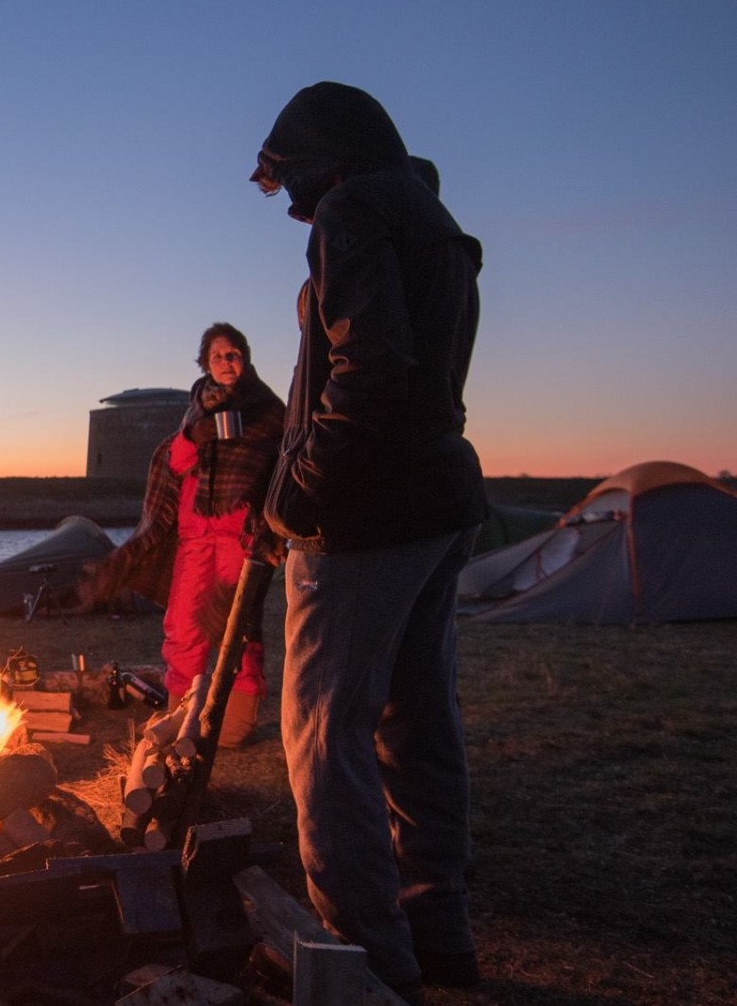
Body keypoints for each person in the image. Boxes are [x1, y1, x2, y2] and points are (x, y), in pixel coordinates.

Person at [252, 81, 487, 1003]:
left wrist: (302, 495)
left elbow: (366, 370)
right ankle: (440, 934)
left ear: (325, 156)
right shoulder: (427, 212)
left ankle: (361, 962)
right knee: (418, 722)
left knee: (324, 732)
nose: (295, 205)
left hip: (368, 514)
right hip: (438, 496)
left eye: (292, 179)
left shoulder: (355, 208)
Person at [68, 323, 285, 748]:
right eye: (219, 356)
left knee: (235, 626)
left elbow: (277, 468)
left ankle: (235, 721)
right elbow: (177, 463)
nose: (227, 362)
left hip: (236, 537)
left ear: (246, 359)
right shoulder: (195, 410)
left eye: (234, 354)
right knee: (183, 628)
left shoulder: (268, 411)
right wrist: (192, 437)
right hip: (193, 537)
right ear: (205, 362)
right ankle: (181, 711)